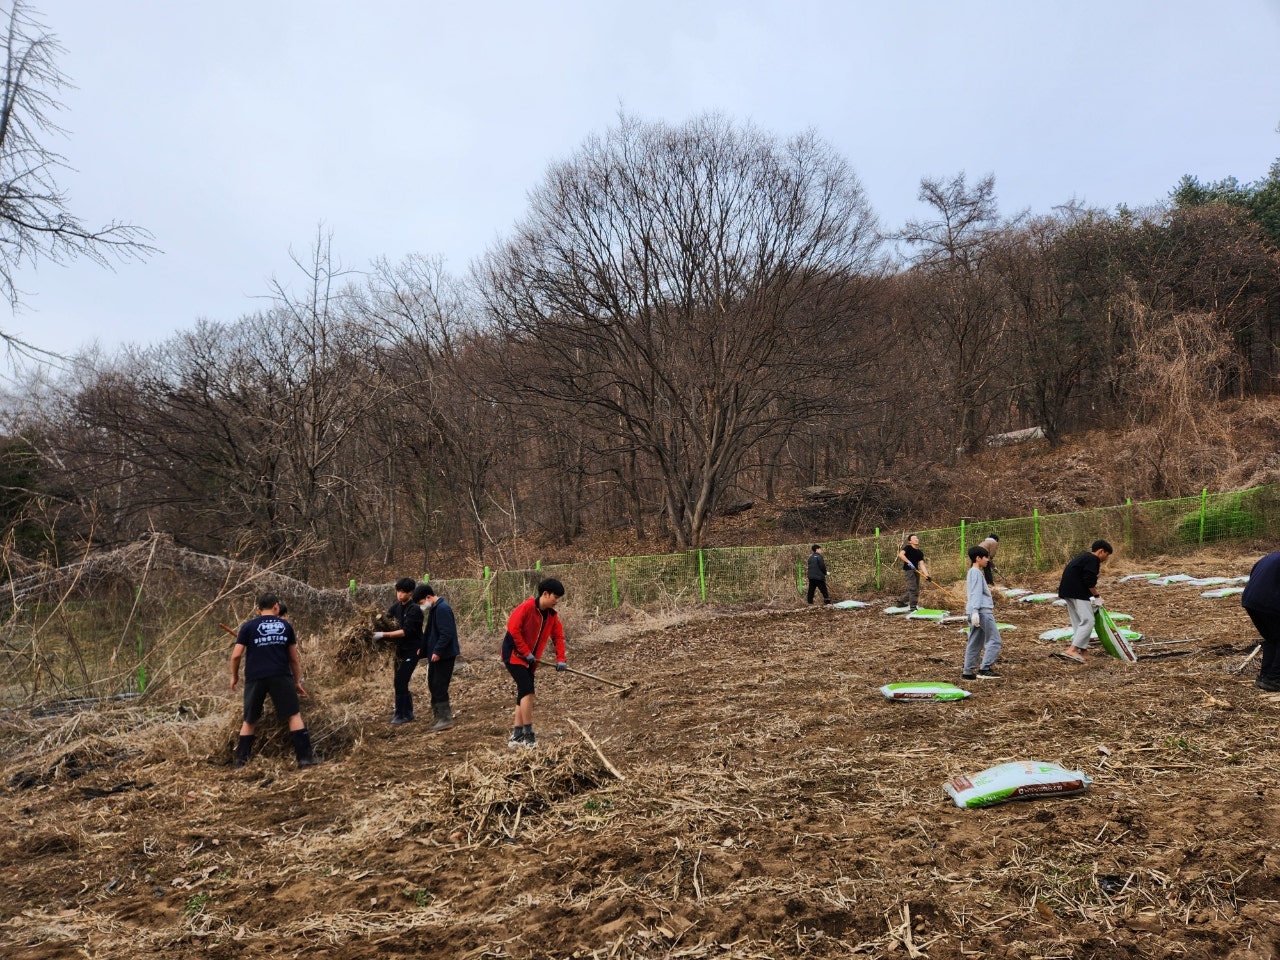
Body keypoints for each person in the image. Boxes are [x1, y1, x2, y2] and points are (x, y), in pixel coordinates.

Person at [229, 592, 318, 768]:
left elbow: (236, 656)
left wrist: (235, 676)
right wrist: (297, 681)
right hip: (280, 674)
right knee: (293, 715)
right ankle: (305, 759)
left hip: (255, 677)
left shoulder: (248, 626)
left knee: (249, 719)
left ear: (258, 609)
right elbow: (293, 658)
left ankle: (240, 762)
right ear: (276, 606)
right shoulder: (286, 626)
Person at [501, 577, 567, 748]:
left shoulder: (551, 616)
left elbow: (558, 637)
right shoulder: (526, 608)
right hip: (514, 655)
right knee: (527, 691)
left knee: (523, 693)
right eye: (556, 597)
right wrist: (525, 652)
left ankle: (516, 736)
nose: (557, 601)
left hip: (531, 660)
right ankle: (528, 735)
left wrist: (561, 659)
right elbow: (514, 631)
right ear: (545, 594)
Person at [372, 577, 423, 725]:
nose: (399, 595)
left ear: (410, 593)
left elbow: (404, 632)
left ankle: (401, 714)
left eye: (403, 592)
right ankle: (407, 712)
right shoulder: (396, 607)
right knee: (399, 681)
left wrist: (383, 635)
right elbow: (386, 620)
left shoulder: (415, 610)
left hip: (413, 650)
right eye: (398, 591)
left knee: (401, 680)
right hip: (399, 650)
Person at [1054, 539, 1113, 664]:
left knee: (1078, 621)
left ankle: (1083, 650)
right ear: (1101, 551)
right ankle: (1072, 649)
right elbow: (1089, 580)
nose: (1106, 559)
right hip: (1077, 592)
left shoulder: (1083, 557)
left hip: (1067, 591)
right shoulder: (1093, 560)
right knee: (1088, 620)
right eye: (1106, 555)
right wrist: (1097, 596)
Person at [420, 583, 460, 730]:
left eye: (421, 603)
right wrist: (423, 650)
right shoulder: (435, 609)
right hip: (437, 655)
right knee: (433, 684)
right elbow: (430, 633)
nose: (422, 606)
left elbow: (446, 633)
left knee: (439, 686)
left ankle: (445, 718)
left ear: (428, 597)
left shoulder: (442, 609)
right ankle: (438, 716)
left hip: (445, 655)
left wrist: (438, 651)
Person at [1240, 551, 1280, 692]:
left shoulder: (1272, 556)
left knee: (1273, 638)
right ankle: (1275, 679)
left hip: (1250, 600)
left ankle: (1265, 676)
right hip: (1269, 602)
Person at [962, 545, 1002, 680]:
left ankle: (967, 671)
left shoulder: (972, 572)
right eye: (985, 557)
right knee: (995, 640)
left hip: (976, 611)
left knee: (974, 641)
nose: (987, 560)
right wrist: (975, 611)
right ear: (978, 558)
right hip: (982, 611)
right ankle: (985, 669)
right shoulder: (976, 573)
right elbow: (976, 593)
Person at [895, 534, 928, 610]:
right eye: (914, 538)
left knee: (915, 589)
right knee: (913, 588)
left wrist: (927, 575)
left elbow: (922, 564)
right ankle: (913, 606)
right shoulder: (908, 548)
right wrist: (909, 562)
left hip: (916, 571)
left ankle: (900, 601)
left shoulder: (919, 552)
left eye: (917, 538)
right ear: (910, 541)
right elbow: (901, 555)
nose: (916, 539)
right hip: (908, 571)